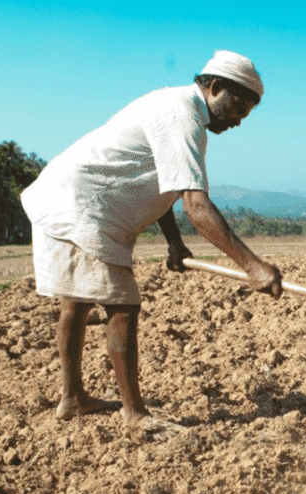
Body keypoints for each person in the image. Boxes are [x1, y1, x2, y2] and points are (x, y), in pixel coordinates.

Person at [21, 50, 282, 426]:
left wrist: (174, 243)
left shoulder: (178, 108)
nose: (240, 120)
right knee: (122, 307)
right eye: (239, 106)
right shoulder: (183, 115)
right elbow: (195, 204)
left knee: (76, 304)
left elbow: (167, 187)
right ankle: (135, 415)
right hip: (82, 207)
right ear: (215, 86)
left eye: (248, 112)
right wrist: (252, 265)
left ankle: (73, 397)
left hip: (67, 196)